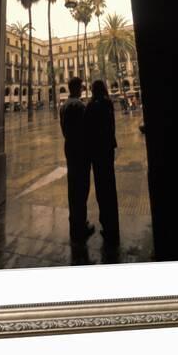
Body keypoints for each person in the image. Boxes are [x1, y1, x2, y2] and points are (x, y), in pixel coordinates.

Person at [84, 79, 120, 245]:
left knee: (101, 187)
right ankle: (113, 225)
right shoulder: (109, 104)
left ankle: (106, 224)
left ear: (93, 90)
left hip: (97, 151)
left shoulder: (92, 106)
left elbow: (88, 129)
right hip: (108, 149)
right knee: (110, 186)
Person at [59, 77, 95, 242]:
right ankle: (80, 226)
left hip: (69, 148)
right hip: (81, 149)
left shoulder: (63, 106)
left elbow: (63, 128)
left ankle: (75, 224)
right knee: (82, 187)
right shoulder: (79, 105)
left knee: (73, 187)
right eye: (81, 87)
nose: (82, 89)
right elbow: (87, 129)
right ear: (77, 88)